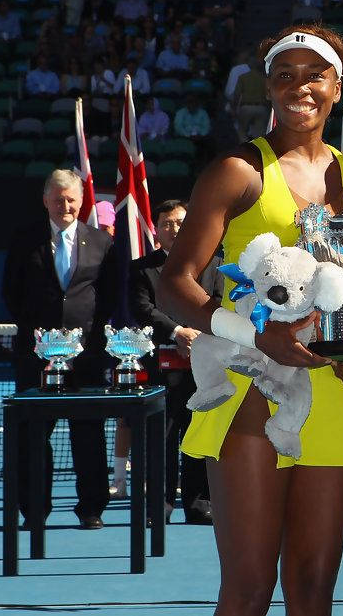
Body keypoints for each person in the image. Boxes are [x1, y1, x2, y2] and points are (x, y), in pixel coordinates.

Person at [159, 24, 343, 615]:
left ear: (338, 86)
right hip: (253, 390)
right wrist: (259, 336)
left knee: (313, 591)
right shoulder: (237, 171)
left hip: (333, 394)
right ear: (268, 87)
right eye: (285, 75)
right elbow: (175, 283)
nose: (299, 87)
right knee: (250, 589)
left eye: (315, 75)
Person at [2, 169, 116, 529]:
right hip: (35, 357)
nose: (64, 206)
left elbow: (110, 296)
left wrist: (86, 337)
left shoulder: (102, 242)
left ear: (81, 202)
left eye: (71, 200)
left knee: (89, 433)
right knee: (32, 435)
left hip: (87, 357)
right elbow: (11, 292)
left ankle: (91, 509)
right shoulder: (24, 240)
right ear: (45, 201)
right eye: (57, 199)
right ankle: (34, 511)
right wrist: (41, 338)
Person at [130, 199, 222, 524]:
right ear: (157, 228)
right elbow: (143, 308)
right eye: (167, 223)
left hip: (204, 366)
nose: (174, 229)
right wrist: (177, 331)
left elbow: (219, 305)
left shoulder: (214, 263)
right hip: (160, 369)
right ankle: (161, 504)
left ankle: (198, 504)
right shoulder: (141, 268)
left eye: (180, 222)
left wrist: (196, 335)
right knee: (162, 437)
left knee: (198, 434)